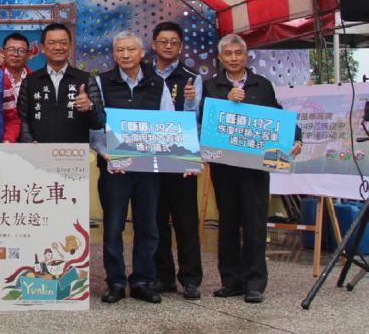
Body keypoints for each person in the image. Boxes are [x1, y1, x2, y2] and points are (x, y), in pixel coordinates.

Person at [200, 33, 302, 304]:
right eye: (228, 54)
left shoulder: (262, 85)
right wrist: (227, 102)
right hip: (225, 166)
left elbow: (277, 116)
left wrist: (296, 136)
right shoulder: (211, 86)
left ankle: (255, 282)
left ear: (246, 56)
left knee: (255, 223)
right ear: (220, 58)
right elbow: (203, 120)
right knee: (228, 224)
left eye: (238, 53)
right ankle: (231, 281)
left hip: (256, 167)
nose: (233, 58)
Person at [94, 31, 174, 304]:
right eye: (119, 50)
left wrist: (180, 158)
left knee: (148, 226)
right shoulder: (102, 82)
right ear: (113, 54)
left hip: (148, 169)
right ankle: (115, 281)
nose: (125, 55)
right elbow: (96, 126)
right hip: (114, 169)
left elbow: (169, 124)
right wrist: (107, 156)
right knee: (113, 226)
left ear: (142, 53)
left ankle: (142, 280)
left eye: (130, 49)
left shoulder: (157, 84)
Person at [146, 21, 204, 299]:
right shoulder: (143, 75)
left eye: (174, 42)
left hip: (181, 158)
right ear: (153, 44)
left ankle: (191, 279)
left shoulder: (192, 78)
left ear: (180, 47)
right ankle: (163, 276)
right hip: (149, 156)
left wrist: (191, 102)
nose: (168, 46)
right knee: (155, 219)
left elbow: (196, 123)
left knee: (186, 220)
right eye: (163, 41)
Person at [17, 23, 103, 144]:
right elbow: (22, 119)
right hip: (38, 155)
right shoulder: (30, 81)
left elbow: (100, 122)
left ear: (70, 46)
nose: (58, 47)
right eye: (52, 43)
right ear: (42, 48)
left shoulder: (86, 79)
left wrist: (90, 107)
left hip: (75, 156)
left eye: (63, 43)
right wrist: (28, 142)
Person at [0, 32, 31, 126]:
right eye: (11, 50)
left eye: (21, 51)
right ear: (3, 52)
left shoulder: (35, 80)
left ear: (28, 55)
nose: (16, 54)